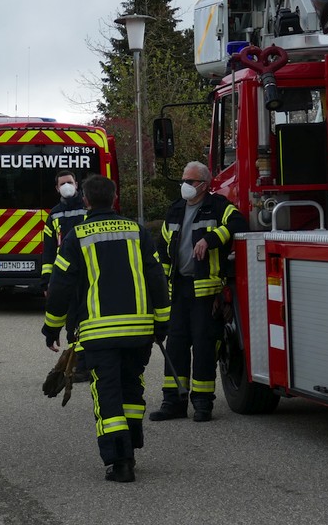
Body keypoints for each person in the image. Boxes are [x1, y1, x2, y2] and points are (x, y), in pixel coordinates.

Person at [43, 175, 169, 483]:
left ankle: (120, 461)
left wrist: (52, 327)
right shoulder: (137, 231)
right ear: (114, 198)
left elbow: (60, 286)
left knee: (107, 393)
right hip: (138, 331)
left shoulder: (77, 236)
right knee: (131, 387)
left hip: (99, 333)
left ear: (85, 200)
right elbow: (156, 278)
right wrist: (162, 322)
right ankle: (132, 444)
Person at [151, 161, 247, 423]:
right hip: (179, 289)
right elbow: (162, 249)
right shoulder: (175, 210)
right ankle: (174, 402)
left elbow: (240, 224)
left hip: (206, 292)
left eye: (190, 181)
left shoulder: (218, 206)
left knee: (204, 348)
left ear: (204, 185)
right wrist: (161, 286)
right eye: (183, 180)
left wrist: (211, 239)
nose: (185, 185)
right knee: (176, 346)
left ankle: (203, 404)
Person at [41, 170, 88, 375]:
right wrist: (47, 282)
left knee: (87, 318)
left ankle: (86, 363)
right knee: (71, 321)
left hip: (88, 273)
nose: (67, 186)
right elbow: (49, 251)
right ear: (57, 188)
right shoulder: (54, 215)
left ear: (76, 184)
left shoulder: (88, 209)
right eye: (62, 184)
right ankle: (76, 362)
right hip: (66, 276)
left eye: (69, 182)